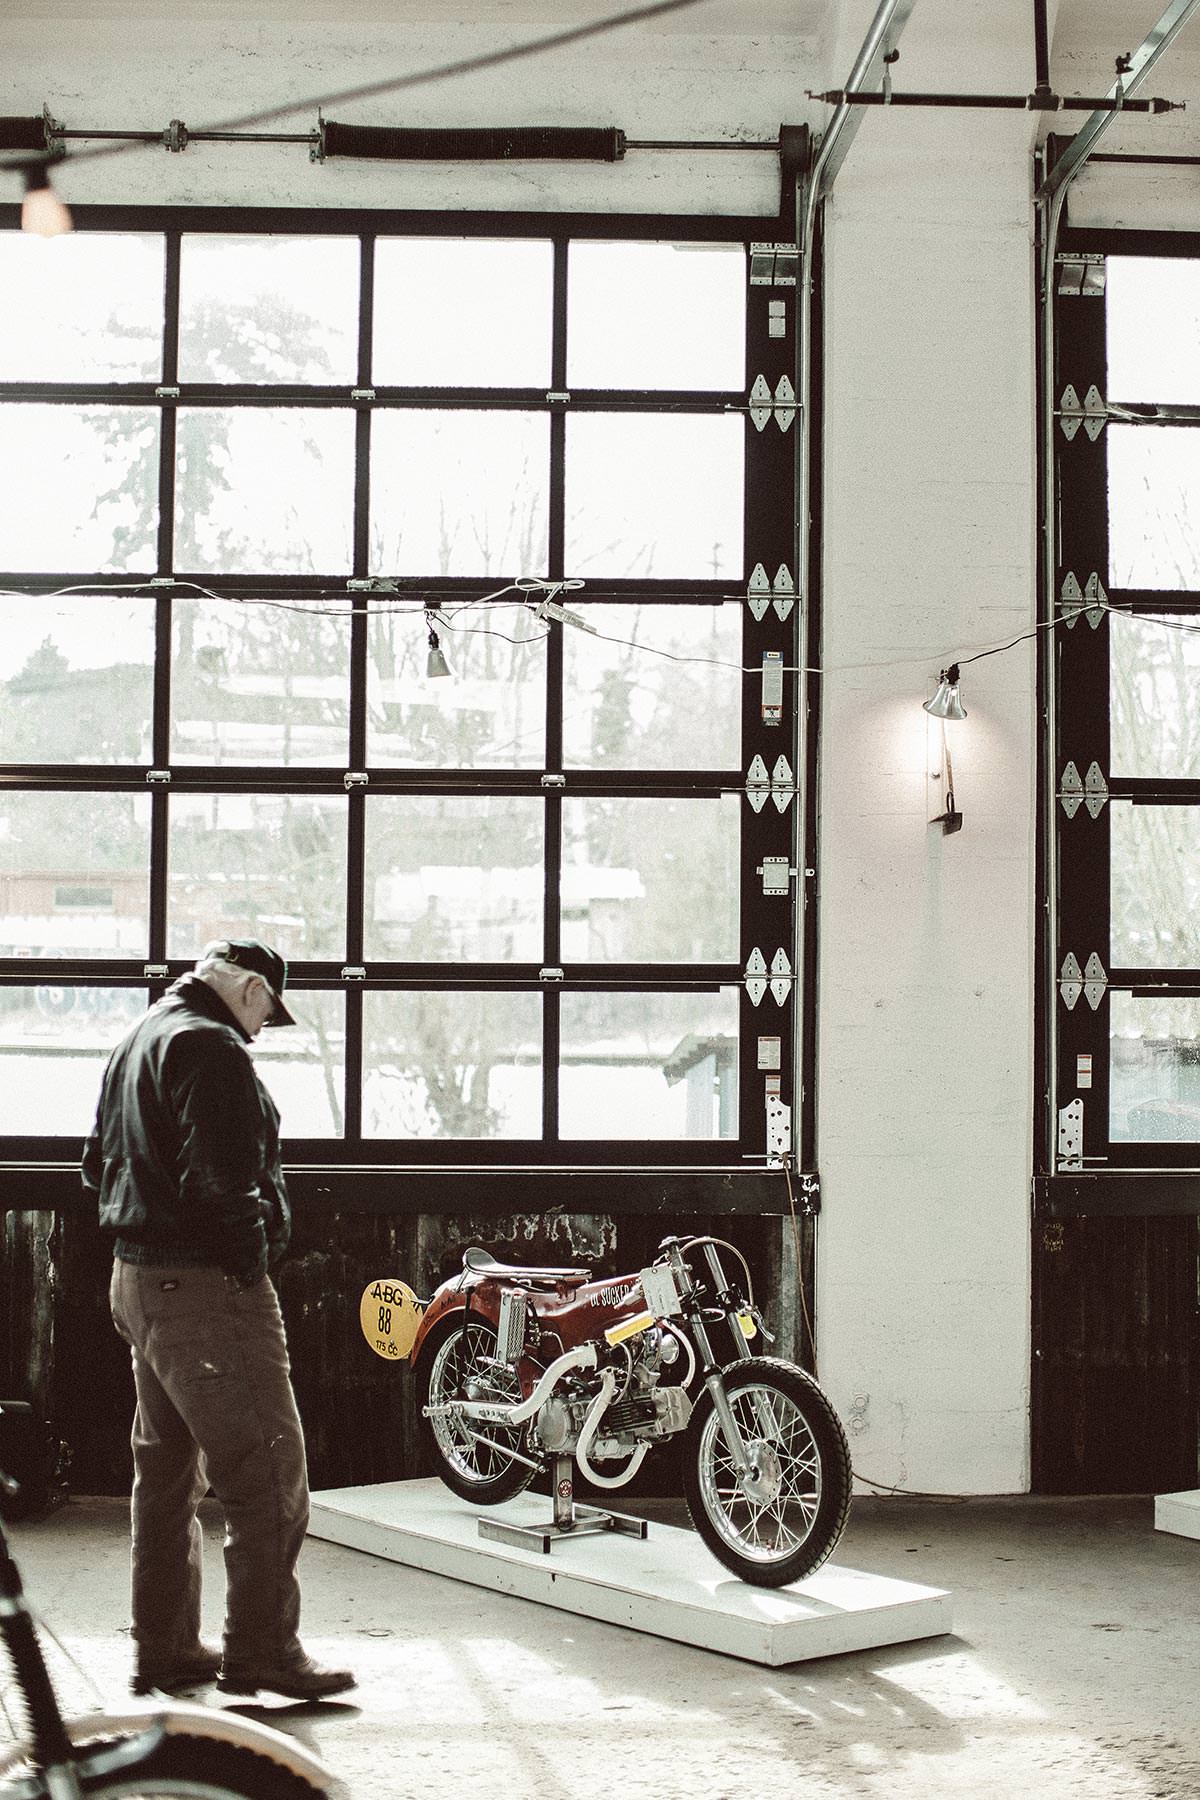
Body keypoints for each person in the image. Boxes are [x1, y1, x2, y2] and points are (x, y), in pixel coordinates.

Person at [81, 939, 355, 1702]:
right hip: (205, 1291)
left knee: (165, 1477)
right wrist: (249, 1265)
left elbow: (91, 1163)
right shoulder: (213, 1049)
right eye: (270, 1006)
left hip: (135, 1281)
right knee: (268, 1476)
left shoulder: (139, 1037)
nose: (267, 1025)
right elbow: (223, 1184)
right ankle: (263, 1653)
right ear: (246, 986)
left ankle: (165, 1649)